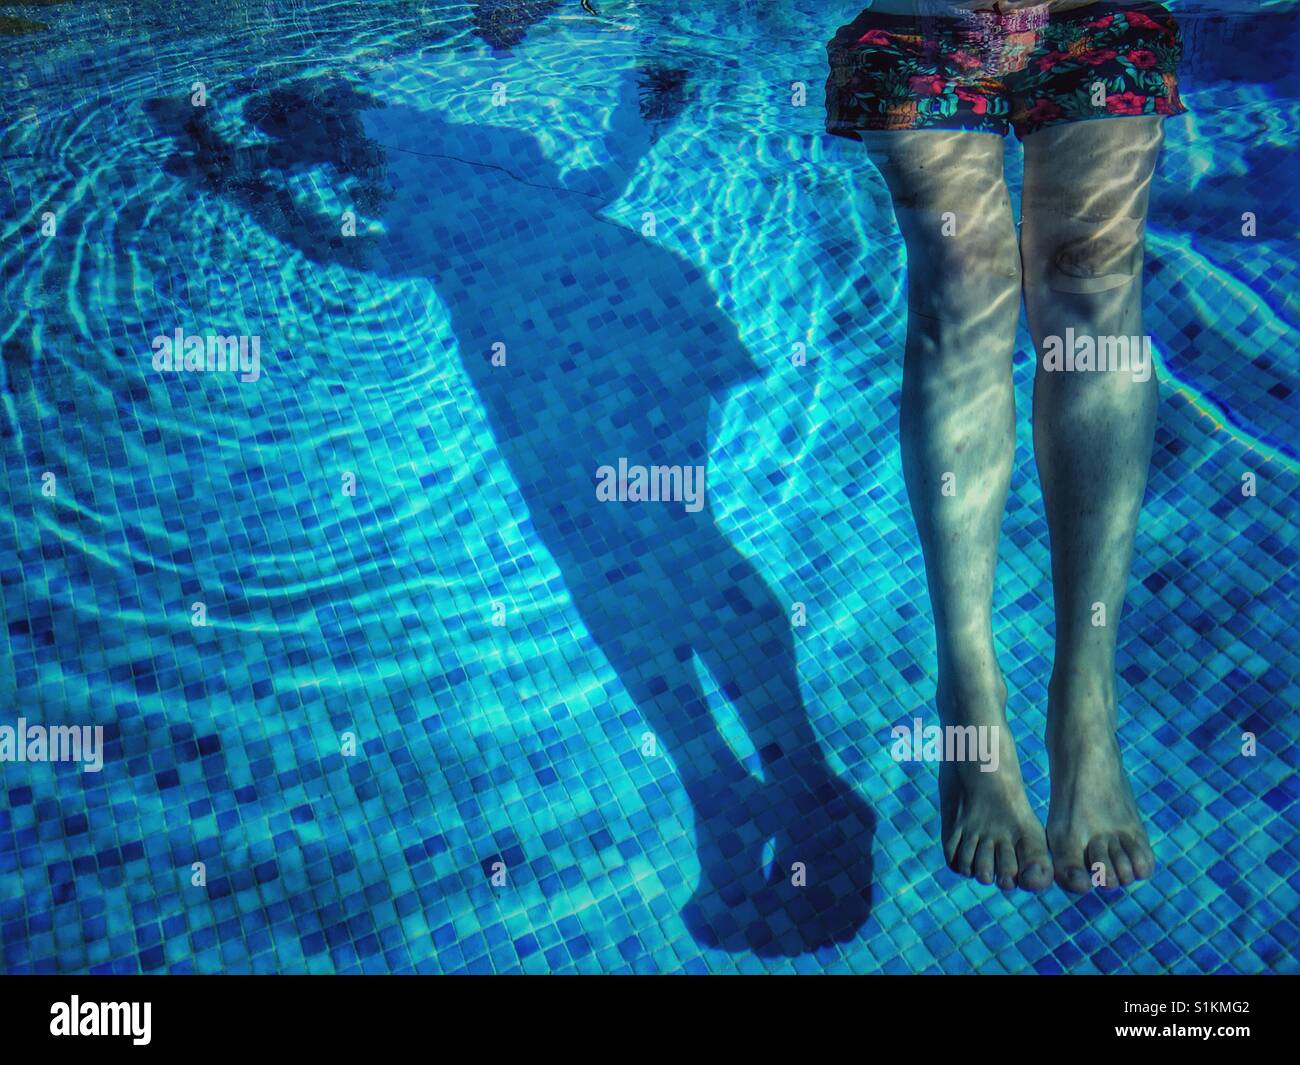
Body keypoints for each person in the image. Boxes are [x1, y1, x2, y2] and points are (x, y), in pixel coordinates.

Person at [826, 0, 1186, 892]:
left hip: (1091, 12)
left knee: (1096, 284)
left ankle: (1085, 704)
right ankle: (969, 689)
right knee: (960, 289)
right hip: (921, 16)